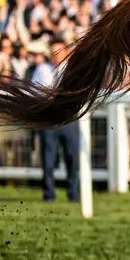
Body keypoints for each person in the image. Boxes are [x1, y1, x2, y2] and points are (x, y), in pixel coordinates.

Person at [33, 39, 80, 202]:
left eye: (59, 51)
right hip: (49, 120)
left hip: (69, 119)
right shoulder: (42, 69)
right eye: (54, 52)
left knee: (72, 157)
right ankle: (48, 194)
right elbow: (37, 91)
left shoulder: (73, 69)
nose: (57, 55)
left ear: (66, 52)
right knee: (48, 159)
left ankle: (73, 193)